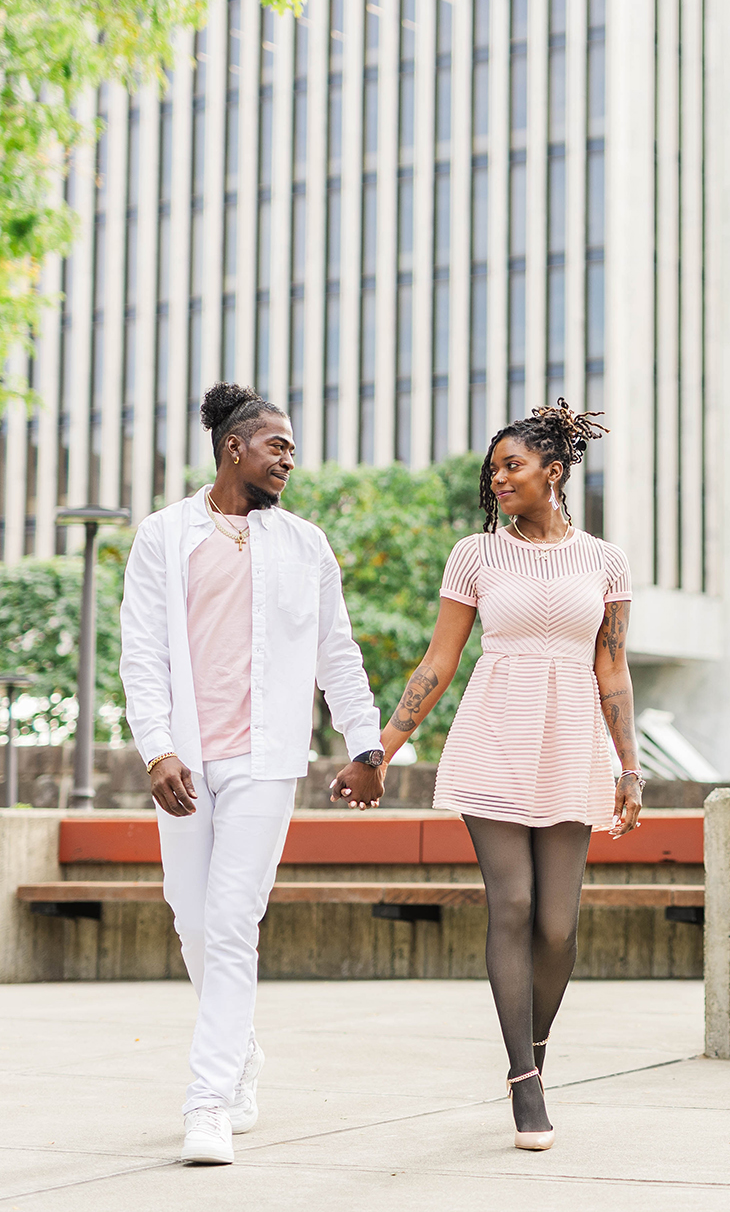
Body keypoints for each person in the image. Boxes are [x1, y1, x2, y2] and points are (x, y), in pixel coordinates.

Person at [334, 400, 642, 1151]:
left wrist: (628, 767)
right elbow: (438, 664)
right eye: (494, 467)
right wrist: (378, 750)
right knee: (511, 904)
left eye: (513, 465)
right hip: (495, 734)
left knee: (558, 926)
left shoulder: (606, 563)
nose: (497, 477)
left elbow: (613, 670)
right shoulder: (475, 556)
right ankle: (523, 1082)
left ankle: (534, 1053)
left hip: (572, 740)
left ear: (554, 472)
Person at [120, 382, 388, 1166]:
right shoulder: (164, 537)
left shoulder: (306, 545)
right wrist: (156, 747)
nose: (290, 462)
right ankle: (239, 1050)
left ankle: (207, 1101)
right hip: (187, 761)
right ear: (235, 446)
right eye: (279, 447)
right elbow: (142, 650)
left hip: (267, 762)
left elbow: (338, 654)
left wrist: (365, 747)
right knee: (193, 922)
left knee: (233, 922)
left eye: (293, 450)